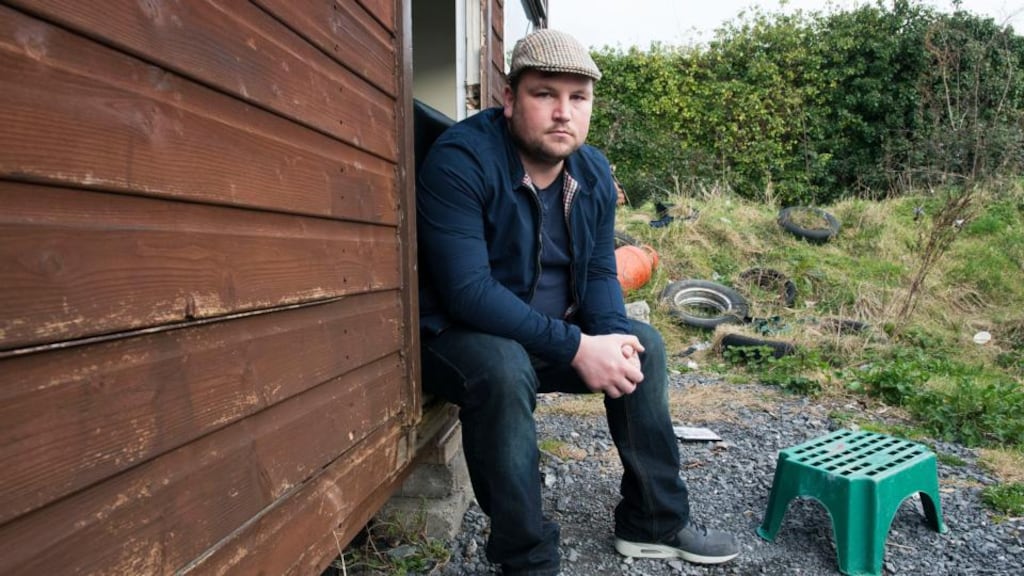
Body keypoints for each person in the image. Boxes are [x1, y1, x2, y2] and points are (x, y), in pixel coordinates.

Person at [415, 28, 740, 576]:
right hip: (458, 338)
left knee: (647, 347)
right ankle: (526, 559)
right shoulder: (460, 160)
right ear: (510, 98)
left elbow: (595, 269)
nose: (563, 112)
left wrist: (613, 338)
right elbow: (466, 292)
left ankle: (652, 523)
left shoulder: (591, 170)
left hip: (545, 335)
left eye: (578, 97)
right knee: (501, 365)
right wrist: (576, 347)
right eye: (545, 94)